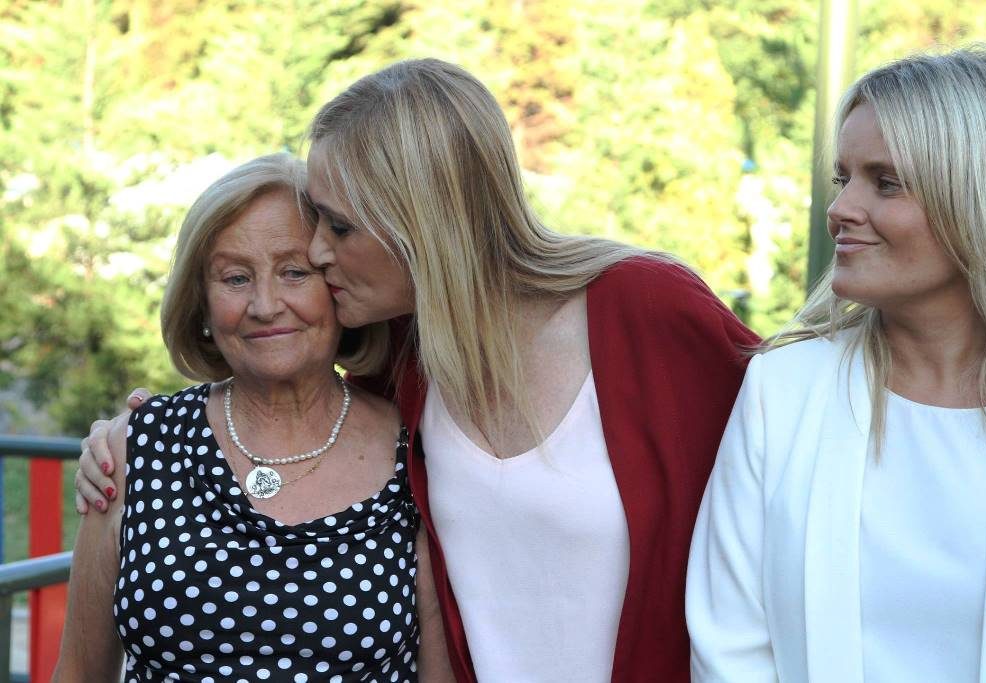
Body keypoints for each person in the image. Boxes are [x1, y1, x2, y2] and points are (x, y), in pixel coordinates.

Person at [76, 59, 758, 682]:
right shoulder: (399, 360)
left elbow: (790, 446)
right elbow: (280, 404)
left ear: (418, 220)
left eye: (338, 227)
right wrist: (133, 433)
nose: (317, 251)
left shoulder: (644, 309)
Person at [686, 45, 986, 682]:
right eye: (843, 177)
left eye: (885, 181)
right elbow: (729, 650)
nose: (840, 207)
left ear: (978, 195)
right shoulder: (782, 392)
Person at [55, 153, 451, 681]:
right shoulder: (136, 447)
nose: (265, 305)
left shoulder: (416, 450)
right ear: (201, 302)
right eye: (236, 278)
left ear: (339, 283)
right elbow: (80, 673)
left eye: (294, 272)